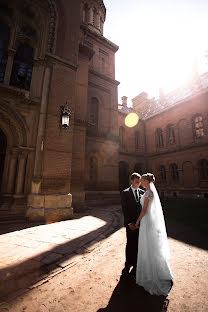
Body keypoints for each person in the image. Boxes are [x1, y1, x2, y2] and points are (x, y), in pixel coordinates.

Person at [135, 173, 173, 296]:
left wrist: (138, 220)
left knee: (148, 246)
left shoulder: (148, 193)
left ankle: (151, 274)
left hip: (147, 221)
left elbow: (144, 209)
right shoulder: (149, 192)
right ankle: (157, 271)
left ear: (147, 181)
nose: (141, 182)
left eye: (142, 181)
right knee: (152, 246)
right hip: (150, 220)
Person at [120, 172, 145, 279]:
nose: (138, 184)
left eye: (139, 182)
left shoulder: (142, 192)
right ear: (131, 181)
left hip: (140, 224)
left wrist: (140, 222)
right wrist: (130, 223)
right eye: (136, 182)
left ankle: (136, 265)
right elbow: (124, 209)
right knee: (130, 244)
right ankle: (127, 265)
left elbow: (144, 209)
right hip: (130, 224)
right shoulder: (125, 193)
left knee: (139, 245)